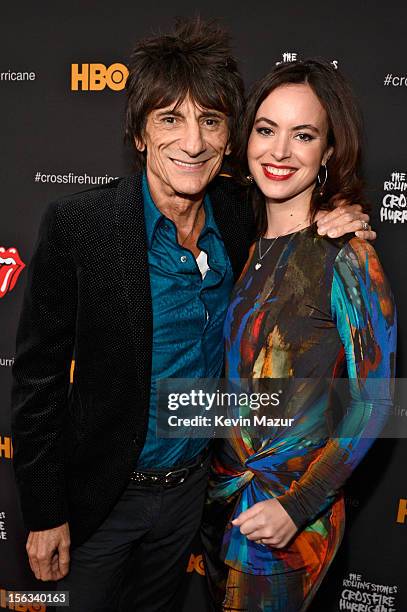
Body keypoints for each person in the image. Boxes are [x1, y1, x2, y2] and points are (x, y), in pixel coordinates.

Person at [11, 19, 374, 612]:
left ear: (230, 137)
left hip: (196, 498)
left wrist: (345, 214)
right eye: (170, 119)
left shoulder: (239, 212)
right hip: (104, 499)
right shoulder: (81, 226)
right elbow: (38, 380)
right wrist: (45, 512)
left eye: (210, 120)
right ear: (139, 133)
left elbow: (299, 206)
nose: (194, 142)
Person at [202, 59, 397, 612]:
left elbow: (377, 401)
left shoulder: (347, 255)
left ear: (329, 150)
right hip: (220, 506)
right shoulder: (237, 240)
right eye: (266, 130)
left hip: (285, 522)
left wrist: (297, 506)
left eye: (303, 135)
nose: (280, 151)